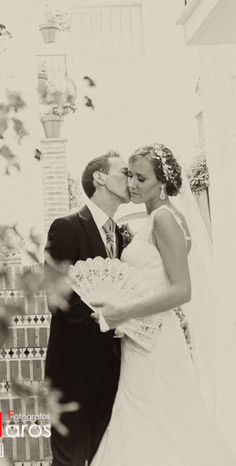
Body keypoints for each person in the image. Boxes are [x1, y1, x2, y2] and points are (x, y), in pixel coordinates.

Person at [91, 143, 236, 466]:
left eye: (142, 179)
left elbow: (182, 291)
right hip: (145, 338)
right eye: (130, 176)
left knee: (152, 417)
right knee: (151, 419)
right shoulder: (157, 218)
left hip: (155, 342)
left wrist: (123, 313)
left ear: (163, 182)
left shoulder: (164, 220)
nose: (132, 185)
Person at [44, 150, 131, 466]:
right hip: (73, 371)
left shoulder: (123, 237)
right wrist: (108, 319)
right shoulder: (66, 226)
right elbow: (56, 296)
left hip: (114, 368)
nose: (131, 179)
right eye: (124, 172)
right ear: (100, 178)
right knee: (70, 461)